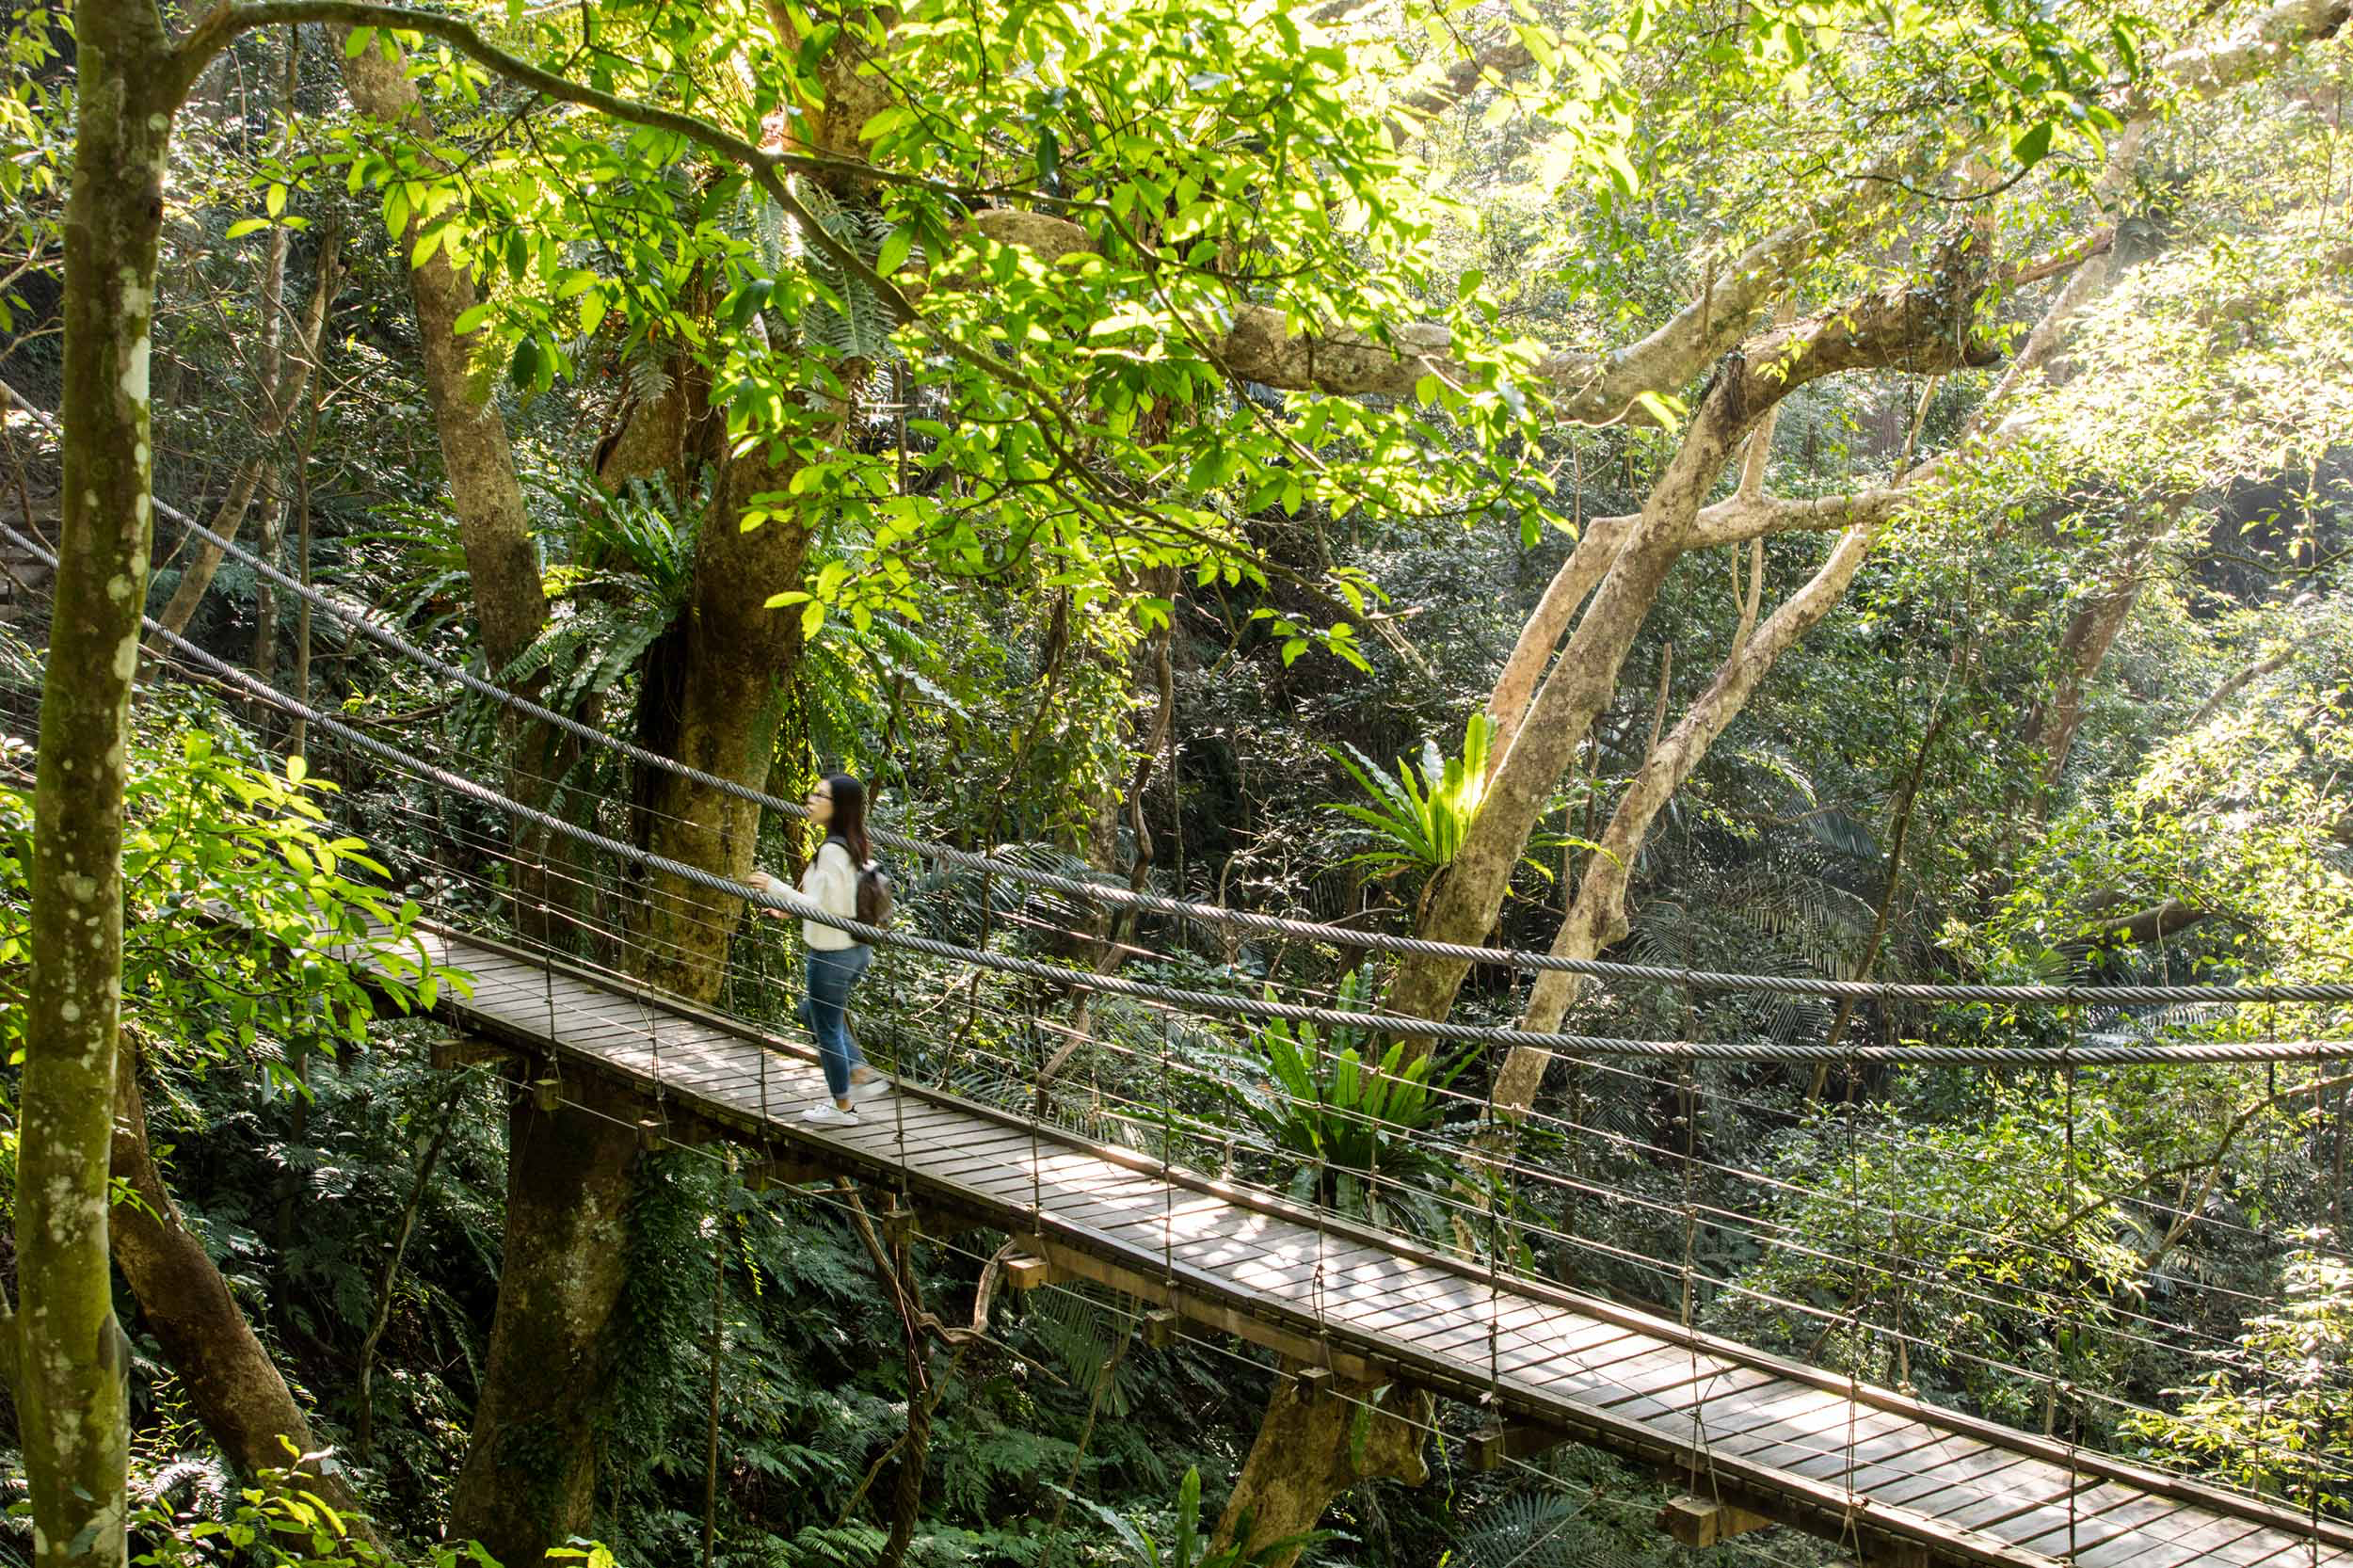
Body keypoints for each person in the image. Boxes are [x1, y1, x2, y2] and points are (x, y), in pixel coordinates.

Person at [758, 772, 890, 1124]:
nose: (810, 800)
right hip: (855, 950)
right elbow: (839, 900)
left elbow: (820, 907)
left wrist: (775, 886)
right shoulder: (855, 842)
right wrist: (790, 908)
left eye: (820, 796)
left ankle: (842, 1106)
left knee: (827, 1027)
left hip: (831, 954)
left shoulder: (832, 850)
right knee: (810, 1011)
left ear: (838, 807)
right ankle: (858, 1071)